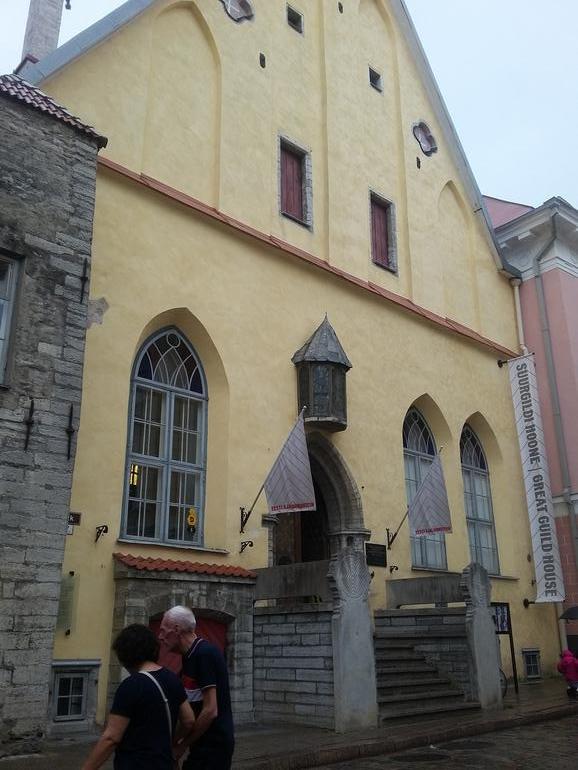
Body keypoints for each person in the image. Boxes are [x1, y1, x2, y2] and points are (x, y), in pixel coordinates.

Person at [81, 623, 194, 770]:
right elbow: (189, 720)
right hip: (164, 762)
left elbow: (111, 737)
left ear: (126, 654)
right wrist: (171, 742)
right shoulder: (172, 678)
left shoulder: (131, 686)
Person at [159, 606, 234, 770]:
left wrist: (182, 745)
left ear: (176, 629)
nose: (160, 636)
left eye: (163, 631)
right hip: (202, 743)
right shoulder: (189, 656)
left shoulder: (204, 654)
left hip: (214, 745)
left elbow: (210, 710)